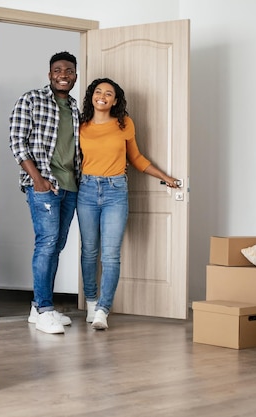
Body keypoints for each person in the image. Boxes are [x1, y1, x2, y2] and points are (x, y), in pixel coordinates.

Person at [78, 78, 180, 330]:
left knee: (111, 254)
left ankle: (103, 309)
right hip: (87, 190)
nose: (102, 96)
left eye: (108, 93)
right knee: (90, 252)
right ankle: (91, 302)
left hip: (116, 191)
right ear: (92, 96)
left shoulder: (124, 124)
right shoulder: (80, 125)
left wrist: (165, 177)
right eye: (98, 91)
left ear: (115, 100)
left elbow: (136, 158)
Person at [9, 51, 81, 335]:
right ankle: (44, 309)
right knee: (47, 244)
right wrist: (37, 179)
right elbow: (17, 141)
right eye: (58, 70)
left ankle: (38, 306)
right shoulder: (31, 99)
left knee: (57, 245)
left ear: (75, 75)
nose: (63, 74)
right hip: (45, 185)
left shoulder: (76, 107)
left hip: (71, 186)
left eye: (69, 70)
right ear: (50, 73)